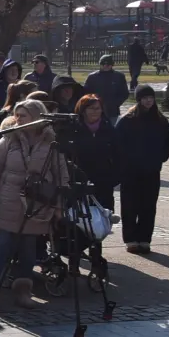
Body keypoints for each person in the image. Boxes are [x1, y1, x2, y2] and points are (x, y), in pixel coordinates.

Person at [0, 99, 67, 310]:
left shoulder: (51, 141)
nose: (19, 119)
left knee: (27, 249)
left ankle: (23, 291)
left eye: (23, 115)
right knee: (1, 245)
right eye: (17, 115)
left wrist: (59, 206)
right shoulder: (9, 139)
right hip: (7, 200)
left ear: (36, 116)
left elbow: (62, 176)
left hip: (36, 205)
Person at [115, 84, 169, 253]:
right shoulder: (128, 120)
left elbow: (168, 141)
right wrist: (124, 163)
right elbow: (118, 143)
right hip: (131, 171)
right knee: (130, 205)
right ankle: (131, 239)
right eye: (145, 98)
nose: (149, 101)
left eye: (151, 97)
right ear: (139, 99)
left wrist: (161, 158)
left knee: (148, 205)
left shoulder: (160, 120)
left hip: (152, 169)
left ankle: (145, 238)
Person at [72, 94, 119, 270]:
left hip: (103, 183)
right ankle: (75, 257)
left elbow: (119, 155)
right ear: (82, 110)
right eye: (91, 108)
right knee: (79, 221)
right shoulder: (74, 129)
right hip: (78, 183)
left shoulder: (108, 129)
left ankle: (97, 256)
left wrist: (115, 177)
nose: (95, 111)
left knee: (101, 221)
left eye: (98, 108)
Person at [83, 55, 129, 123]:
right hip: (95, 109)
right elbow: (85, 92)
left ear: (112, 65)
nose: (105, 66)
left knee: (111, 130)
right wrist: (92, 104)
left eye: (108, 64)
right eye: (103, 64)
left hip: (112, 110)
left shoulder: (119, 76)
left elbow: (124, 93)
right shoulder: (92, 77)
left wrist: (116, 103)